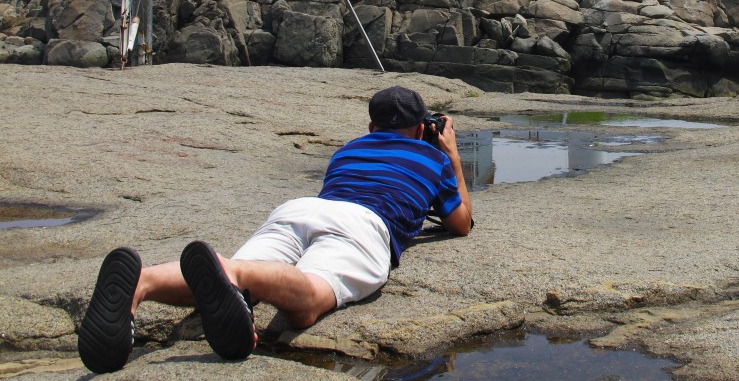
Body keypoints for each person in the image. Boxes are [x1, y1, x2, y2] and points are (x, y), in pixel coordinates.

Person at [77, 86, 473, 374]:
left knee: (240, 267)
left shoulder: (348, 149)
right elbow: (460, 224)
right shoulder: (429, 156)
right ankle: (237, 275)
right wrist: (452, 155)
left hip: (303, 210)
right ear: (423, 129)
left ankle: (142, 283)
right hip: (363, 225)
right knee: (311, 297)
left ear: (371, 126)